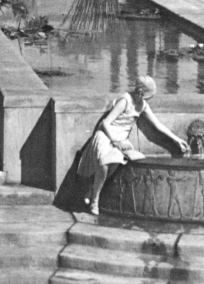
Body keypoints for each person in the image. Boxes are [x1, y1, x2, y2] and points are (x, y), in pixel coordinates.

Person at [78, 76, 189, 216]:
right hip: (107, 136)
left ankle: (93, 189)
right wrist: (115, 141)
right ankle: (95, 199)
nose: (148, 100)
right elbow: (105, 123)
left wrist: (177, 140)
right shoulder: (125, 100)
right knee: (105, 163)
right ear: (141, 93)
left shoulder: (142, 105)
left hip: (122, 140)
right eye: (148, 96)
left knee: (115, 161)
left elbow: (157, 125)